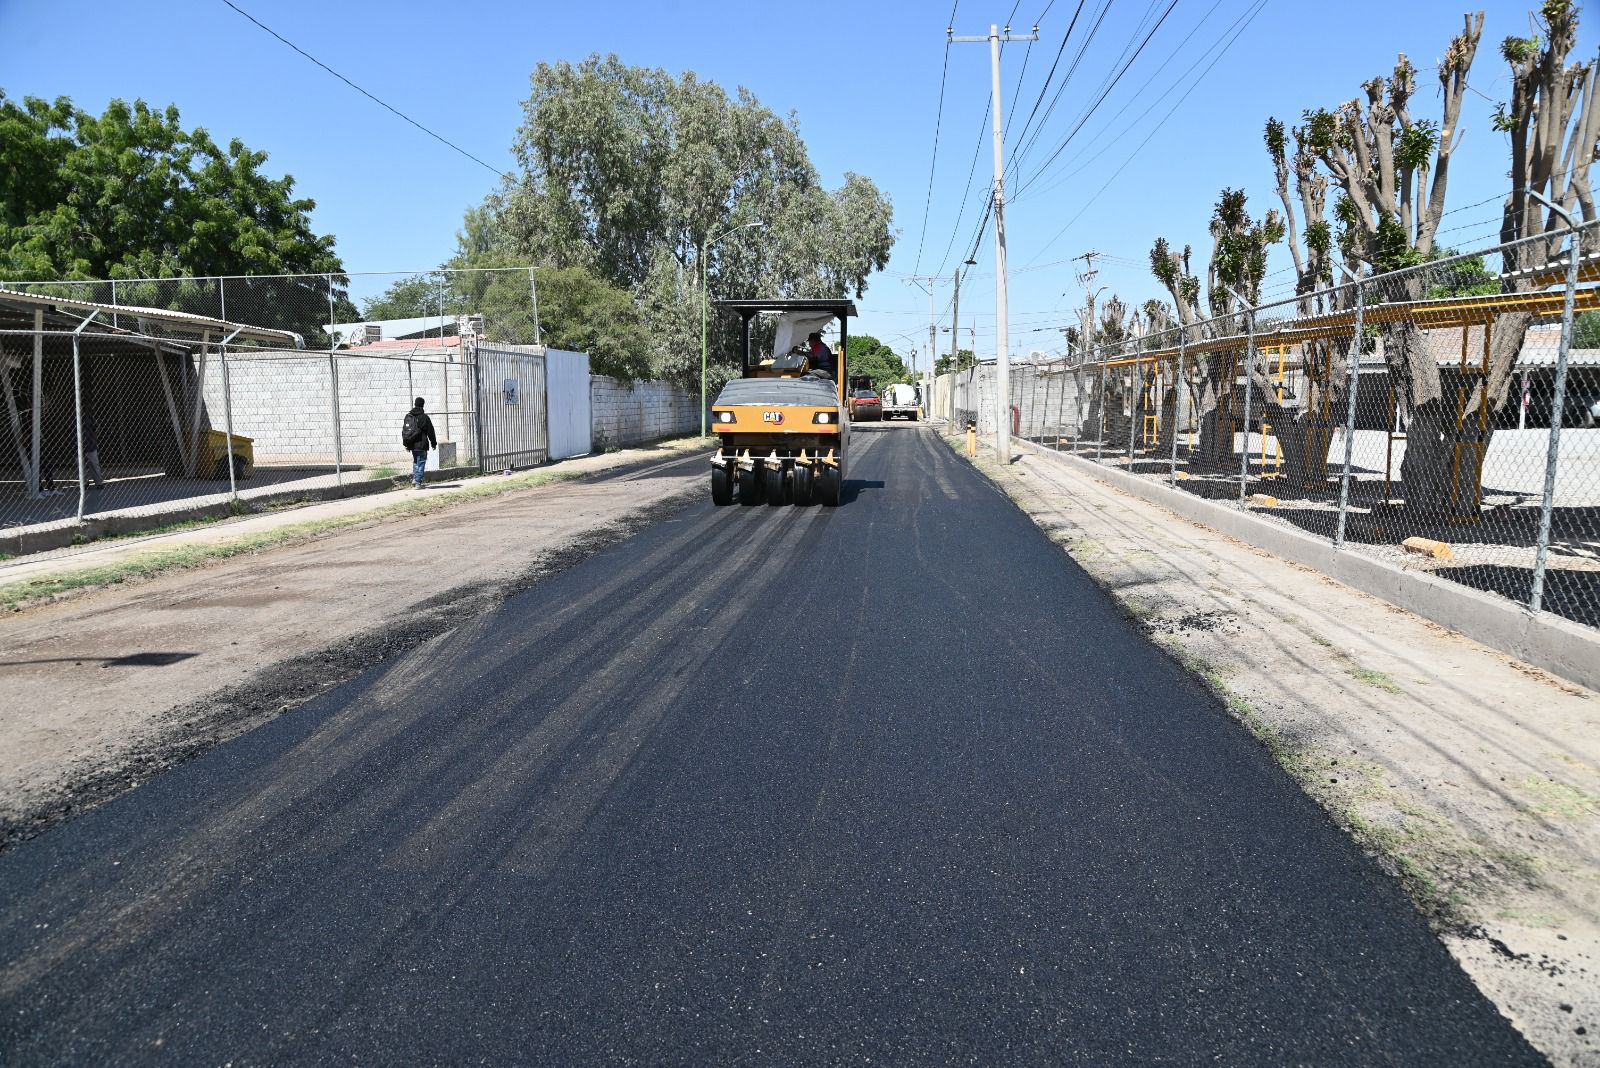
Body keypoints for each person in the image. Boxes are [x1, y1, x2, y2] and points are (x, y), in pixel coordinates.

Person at [402, 397, 437, 489]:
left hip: (412, 445)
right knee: (421, 462)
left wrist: (407, 444)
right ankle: (418, 482)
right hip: (422, 444)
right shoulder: (424, 417)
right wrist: (434, 443)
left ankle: (415, 478)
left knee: (416, 461)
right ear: (423, 405)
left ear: (415, 404)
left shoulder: (410, 416)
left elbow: (406, 431)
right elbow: (431, 432)